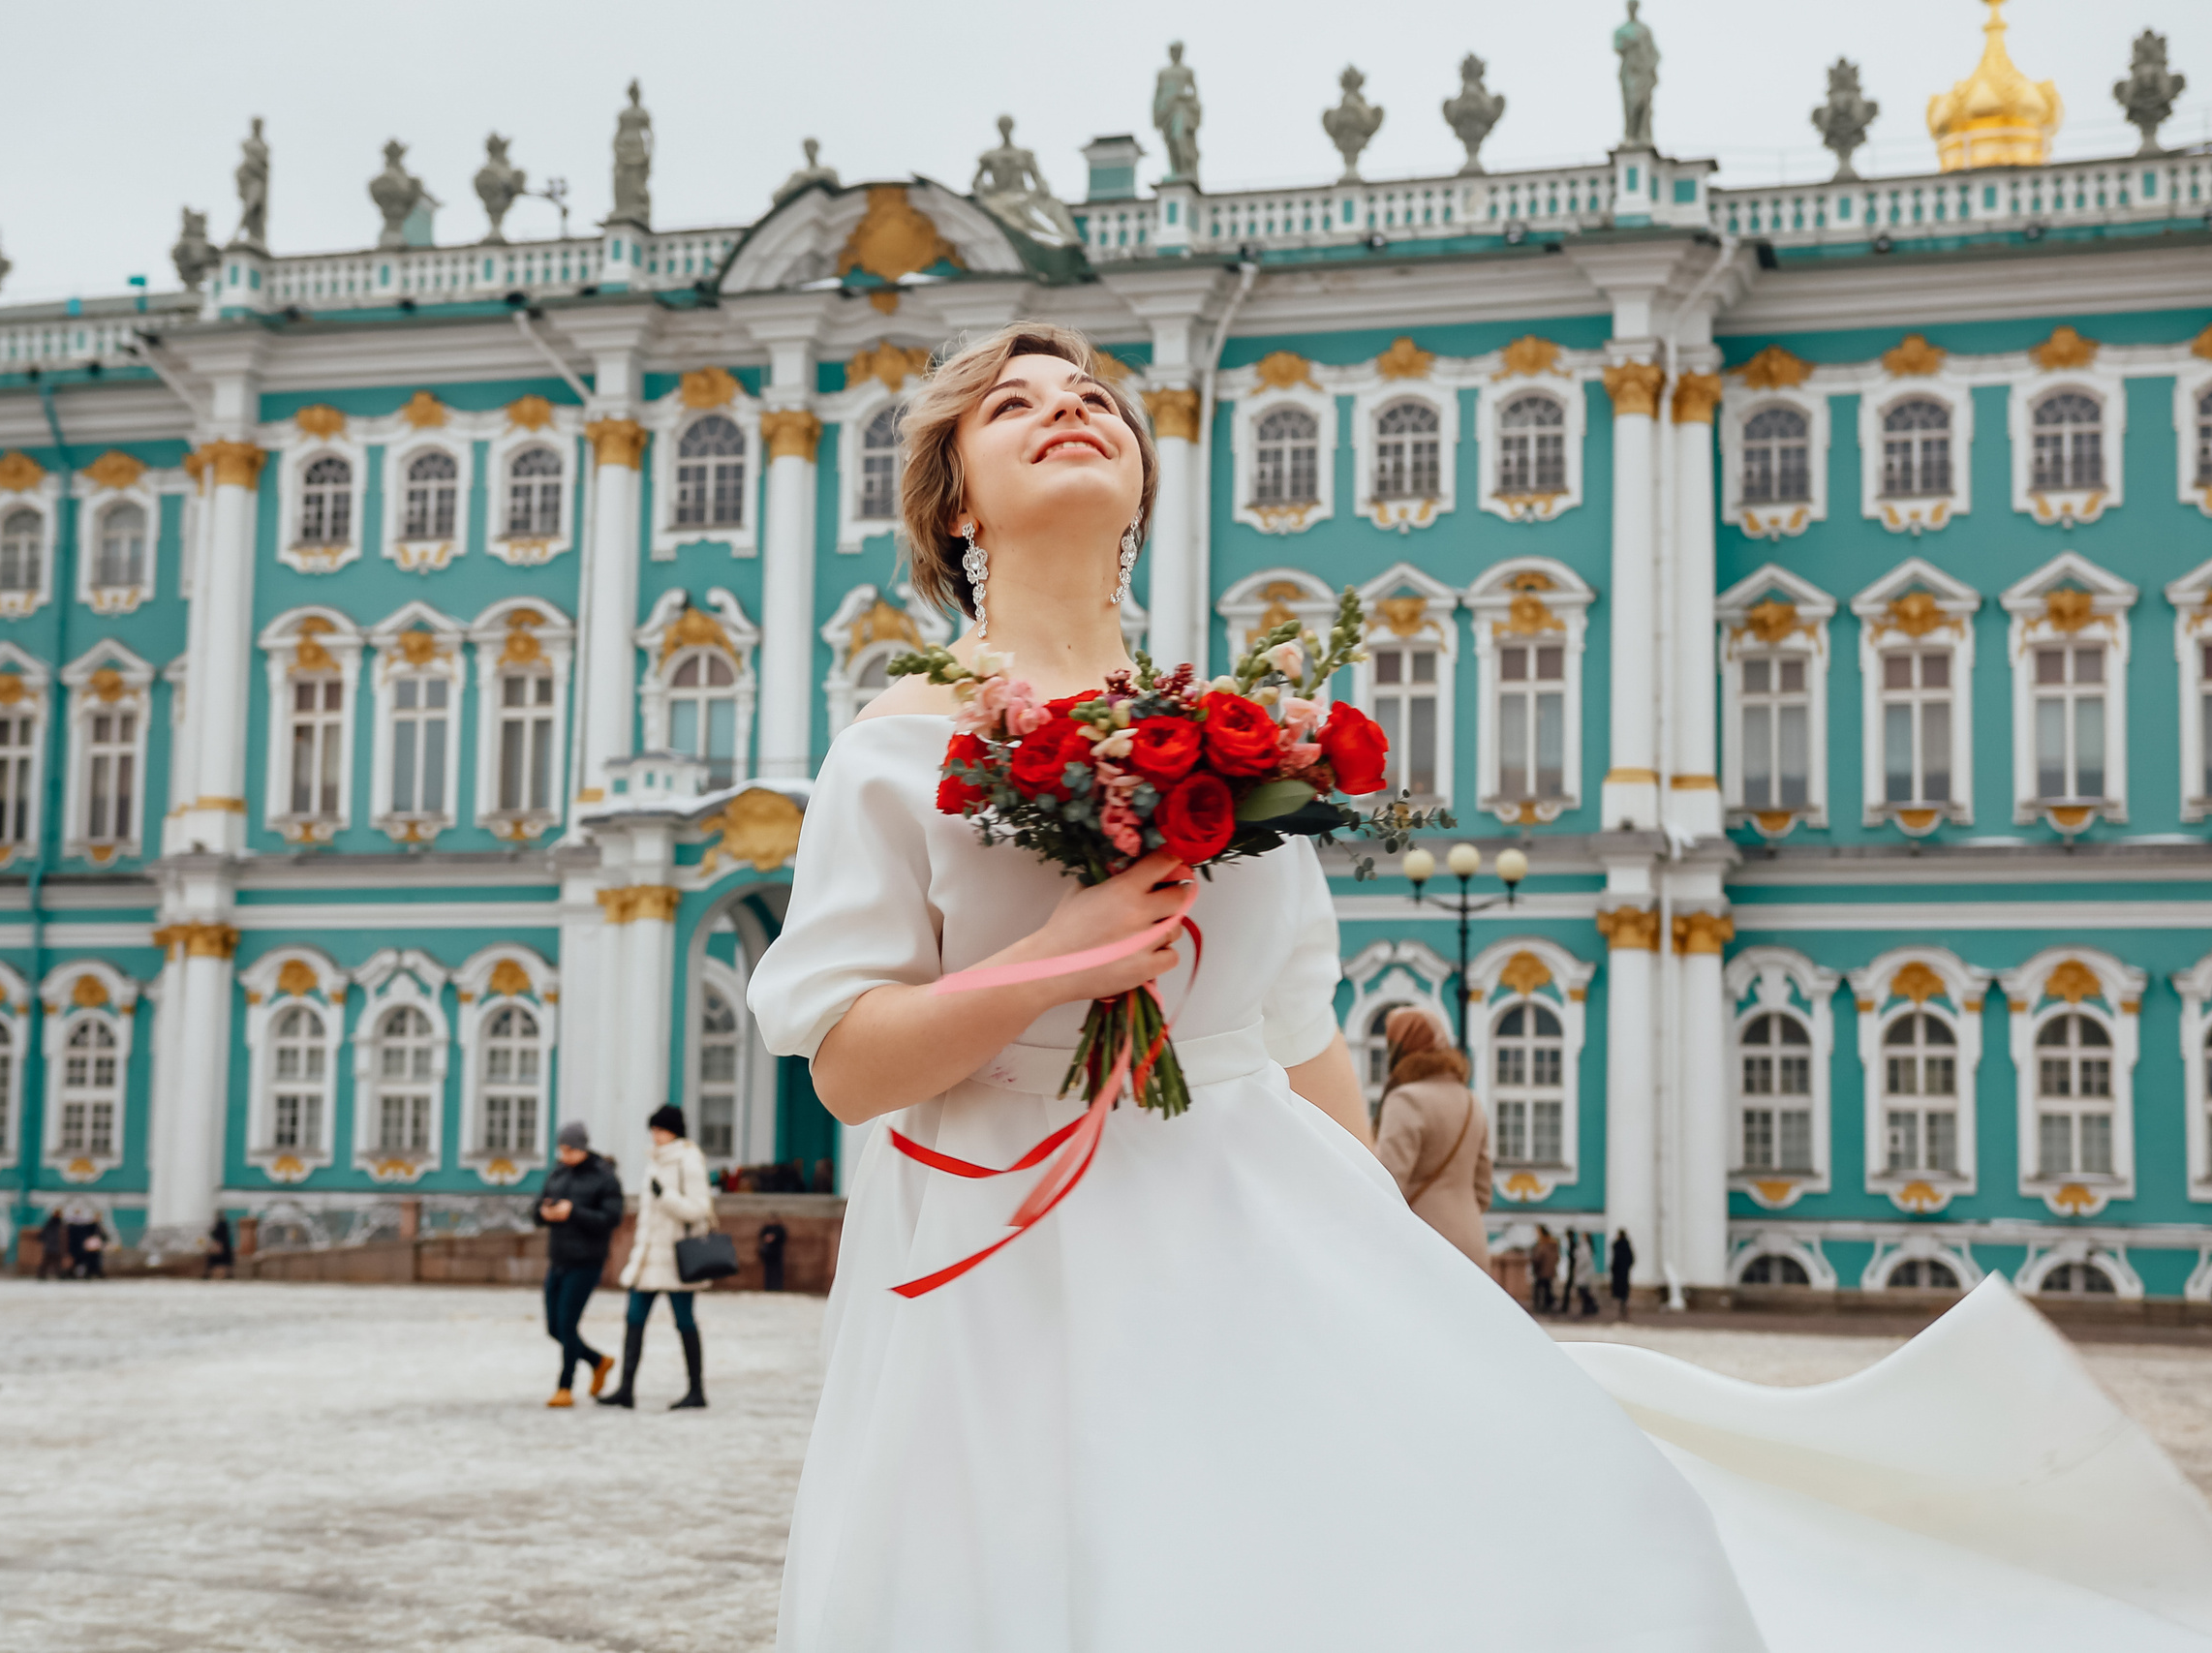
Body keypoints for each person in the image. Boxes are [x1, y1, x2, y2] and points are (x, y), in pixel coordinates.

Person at [741, 321, 2212, 1649]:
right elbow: (851, 1065)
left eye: (1095, 399)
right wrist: (1054, 961)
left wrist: (1411, 1290)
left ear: (1140, 480)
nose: (1069, 410)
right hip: (1001, 1254)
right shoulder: (898, 743)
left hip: (1248, 1241)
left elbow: (1298, 1032)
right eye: (1013, 405)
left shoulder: (1234, 735)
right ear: (954, 503)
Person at [597, 1106, 714, 1412]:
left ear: (673, 1130)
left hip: (677, 1258)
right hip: (649, 1257)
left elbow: (699, 1209)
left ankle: (696, 1390)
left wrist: (666, 1196)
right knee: (634, 1318)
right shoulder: (655, 1161)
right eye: (653, 1130)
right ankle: (626, 1389)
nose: (655, 1135)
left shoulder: (688, 1159)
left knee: (684, 1322)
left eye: (660, 1130)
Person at [1368, 1008, 1491, 1272]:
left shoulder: (1405, 1099)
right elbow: (1483, 1192)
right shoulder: (1471, 1102)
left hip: (1425, 1246)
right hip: (1474, 1248)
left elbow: (1388, 1183)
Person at [536, 1121, 624, 1408]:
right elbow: (537, 1208)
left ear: (582, 1148)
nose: (564, 1156)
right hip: (558, 1258)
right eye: (561, 1150)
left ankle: (565, 1387)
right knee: (554, 1327)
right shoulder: (558, 1173)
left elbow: (611, 1219)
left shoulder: (604, 1177)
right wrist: (544, 1213)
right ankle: (598, 1361)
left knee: (567, 1324)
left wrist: (573, 1212)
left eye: (569, 1150)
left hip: (587, 1261)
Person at [64, 1209, 107, 1280]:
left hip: (89, 1248)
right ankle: (76, 1273)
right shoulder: (88, 1227)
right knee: (78, 1262)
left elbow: (103, 1236)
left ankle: (91, 1273)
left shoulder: (94, 1226)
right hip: (82, 1247)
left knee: (90, 1262)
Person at [1529, 1223, 1560, 1314]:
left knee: (1540, 1289)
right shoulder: (1553, 1244)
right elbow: (1556, 1258)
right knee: (1547, 1288)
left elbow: (1538, 1258)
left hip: (1542, 1271)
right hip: (1549, 1271)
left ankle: (1544, 1305)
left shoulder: (1542, 1244)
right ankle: (1549, 1304)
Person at [1611, 1227, 1637, 1321]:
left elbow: (1616, 1259)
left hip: (1619, 1272)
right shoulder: (1626, 1246)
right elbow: (1631, 1259)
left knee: (1620, 1291)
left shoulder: (1618, 1246)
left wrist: (1614, 1268)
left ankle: (1622, 1308)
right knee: (1624, 1292)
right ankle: (1623, 1307)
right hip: (1623, 1272)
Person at [756, 1219, 789, 1293]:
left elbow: (783, 1238)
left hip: (777, 1254)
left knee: (777, 1272)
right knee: (769, 1272)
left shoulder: (779, 1229)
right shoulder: (766, 1229)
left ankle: (778, 1288)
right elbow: (761, 1236)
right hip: (768, 1254)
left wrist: (774, 1237)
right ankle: (769, 1287)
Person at [36, 1208, 67, 1282]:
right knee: (53, 1263)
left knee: (50, 1262)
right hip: (54, 1246)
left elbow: (42, 1234)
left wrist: (43, 1239)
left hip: (51, 1246)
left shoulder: (51, 1223)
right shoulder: (59, 1224)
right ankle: (43, 1275)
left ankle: (42, 1275)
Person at [203, 1212, 234, 1281]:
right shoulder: (224, 1227)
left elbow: (215, 1234)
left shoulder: (221, 1227)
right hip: (223, 1250)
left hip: (222, 1250)